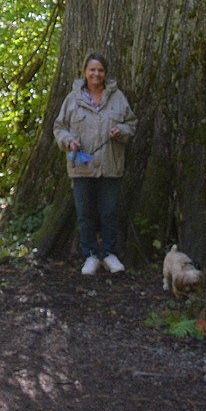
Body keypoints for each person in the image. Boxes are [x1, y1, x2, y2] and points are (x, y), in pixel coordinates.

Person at [53, 52, 136, 276]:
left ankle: (109, 254)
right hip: (82, 167)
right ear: (84, 72)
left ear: (105, 73)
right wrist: (69, 141)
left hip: (110, 165)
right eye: (92, 70)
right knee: (85, 213)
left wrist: (122, 131)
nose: (96, 74)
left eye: (100, 70)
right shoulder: (72, 99)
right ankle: (90, 255)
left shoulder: (117, 97)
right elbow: (59, 127)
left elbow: (131, 123)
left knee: (109, 212)